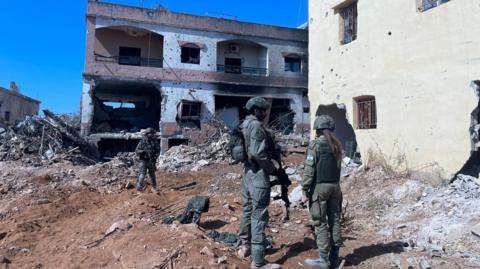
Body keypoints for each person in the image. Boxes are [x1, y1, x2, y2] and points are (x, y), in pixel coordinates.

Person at [237, 97, 281, 269]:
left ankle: (245, 246)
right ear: (255, 110)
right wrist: (272, 169)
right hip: (257, 174)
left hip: (247, 173)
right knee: (259, 215)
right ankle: (258, 262)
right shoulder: (255, 126)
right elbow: (257, 153)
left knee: (247, 210)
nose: (264, 114)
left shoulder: (244, 124)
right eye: (263, 110)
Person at [301, 115, 343, 269]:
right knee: (335, 220)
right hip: (335, 188)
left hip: (320, 188)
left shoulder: (315, 145)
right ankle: (334, 258)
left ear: (318, 130)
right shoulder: (337, 145)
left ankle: (323, 259)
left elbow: (309, 170)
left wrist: (304, 189)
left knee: (320, 223)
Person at [135, 127, 160, 192]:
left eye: (152, 133)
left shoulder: (154, 142)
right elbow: (137, 150)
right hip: (143, 160)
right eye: (150, 133)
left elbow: (158, 151)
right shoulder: (142, 142)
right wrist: (143, 151)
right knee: (142, 174)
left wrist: (155, 157)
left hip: (151, 160)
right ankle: (139, 187)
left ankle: (154, 187)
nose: (152, 135)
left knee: (152, 174)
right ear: (147, 134)